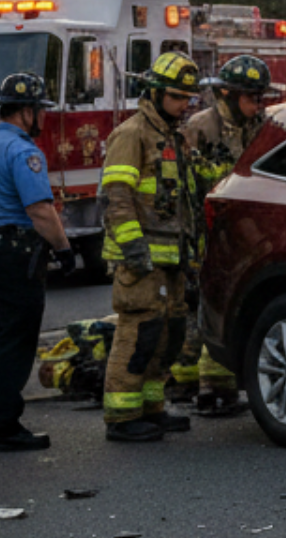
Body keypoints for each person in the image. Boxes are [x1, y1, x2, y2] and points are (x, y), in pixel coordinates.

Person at [0, 73, 75, 452]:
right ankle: (3, 426)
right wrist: (65, 249)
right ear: (26, 112)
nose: (41, 117)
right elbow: (40, 210)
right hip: (14, 252)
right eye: (39, 110)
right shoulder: (24, 152)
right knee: (14, 339)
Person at [98, 51, 201, 441]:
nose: (183, 105)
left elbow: (184, 200)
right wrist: (133, 248)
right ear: (155, 93)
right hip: (141, 259)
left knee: (168, 333)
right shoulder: (132, 134)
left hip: (172, 258)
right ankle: (121, 417)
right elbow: (117, 197)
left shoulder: (175, 136)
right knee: (138, 334)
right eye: (176, 97)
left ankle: (152, 408)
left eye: (187, 99)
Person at [172, 55, 271, 416]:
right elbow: (183, 187)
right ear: (227, 95)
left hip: (241, 233)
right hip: (203, 231)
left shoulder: (260, 126)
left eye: (261, 97)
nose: (258, 105)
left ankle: (216, 384)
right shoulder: (200, 129)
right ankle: (190, 385)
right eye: (251, 97)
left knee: (227, 304)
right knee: (197, 306)